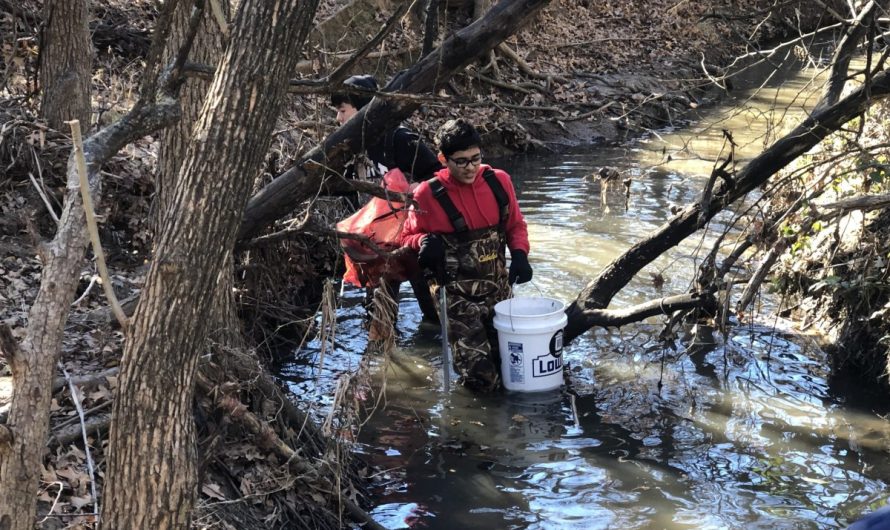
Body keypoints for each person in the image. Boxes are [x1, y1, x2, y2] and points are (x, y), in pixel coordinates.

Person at [400, 118, 533, 391]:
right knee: (481, 378)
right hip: (455, 297)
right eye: (461, 161)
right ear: (442, 159)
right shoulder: (427, 194)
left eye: (476, 158)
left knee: (512, 368)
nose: (471, 167)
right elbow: (405, 238)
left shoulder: (500, 182)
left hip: (499, 291)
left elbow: (516, 225)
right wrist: (424, 240)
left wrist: (520, 254)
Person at [330, 74, 442, 340]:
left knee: (433, 310)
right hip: (378, 242)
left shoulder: (399, 139)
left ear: (363, 109)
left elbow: (438, 177)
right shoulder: (355, 144)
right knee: (377, 318)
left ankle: (433, 354)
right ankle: (380, 364)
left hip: (415, 237)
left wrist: (410, 191)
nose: (338, 119)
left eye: (342, 111)